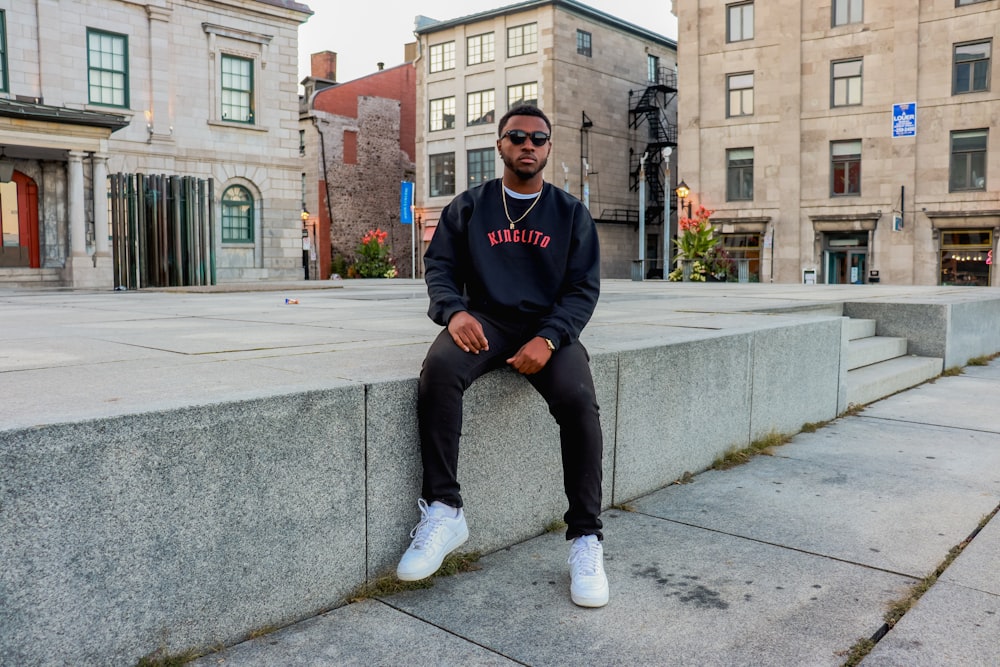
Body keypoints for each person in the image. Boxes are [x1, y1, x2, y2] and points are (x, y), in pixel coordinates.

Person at [395, 105, 608, 608]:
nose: (527, 145)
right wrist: (453, 313)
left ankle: (585, 538)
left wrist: (552, 338)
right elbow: (440, 268)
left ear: (549, 148)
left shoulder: (570, 213)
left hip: (545, 329)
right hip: (483, 323)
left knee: (579, 399)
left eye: (538, 138)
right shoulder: (468, 207)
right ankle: (445, 511)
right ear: (500, 145)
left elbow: (582, 289)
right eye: (517, 136)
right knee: (440, 370)